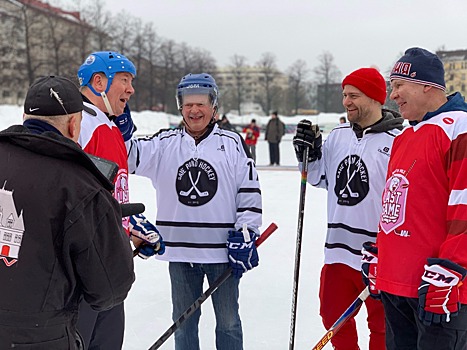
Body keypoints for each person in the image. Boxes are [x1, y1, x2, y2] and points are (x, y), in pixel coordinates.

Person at [119, 73, 262, 350]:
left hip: (222, 252)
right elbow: (125, 157)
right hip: (180, 253)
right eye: (188, 104)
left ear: (213, 106)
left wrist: (246, 232)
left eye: (201, 104)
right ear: (180, 107)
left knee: (229, 323)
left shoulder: (232, 143)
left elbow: (249, 191)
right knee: (183, 324)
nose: (194, 110)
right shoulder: (164, 143)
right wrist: (120, 129)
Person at [0, 76, 135, 349]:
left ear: (25, 117)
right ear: (74, 125)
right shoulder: (82, 186)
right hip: (41, 336)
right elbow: (111, 288)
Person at [293, 67, 404, 350]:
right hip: (338, 250)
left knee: (382, 326)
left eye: (354, 95)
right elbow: (319, 178)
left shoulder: (398, 142)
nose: (346, 102)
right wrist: (308, 156)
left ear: (375, 98)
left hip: (378, 255)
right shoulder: (339, 135)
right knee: (333, 318)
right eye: (345, 95)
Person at [366, 47, 467, 350]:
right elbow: (396, 205)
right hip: (397, 284)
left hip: (439, 288)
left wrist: (453, 267)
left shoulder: (458, 128)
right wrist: (381, 252)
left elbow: (464, 203)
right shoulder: (404, 136)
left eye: (398, 86)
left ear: (428, 85)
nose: (392, 95)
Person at [76, 51, 165, 349]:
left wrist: (128, 225)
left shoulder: (110, 126)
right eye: (124, 80)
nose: (131, 89)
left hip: (109, 265)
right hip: (83, 269)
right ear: (98, 81)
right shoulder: (81, 122)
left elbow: (107, 194)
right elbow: (69, 196)